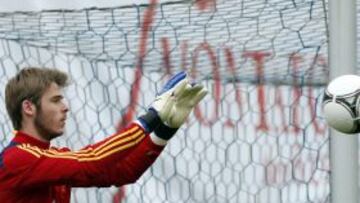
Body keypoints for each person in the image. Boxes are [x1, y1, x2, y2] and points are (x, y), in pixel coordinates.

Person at [0, 67, 207, 203]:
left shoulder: (49, 158)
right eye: (55, 100)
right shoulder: (20, 157)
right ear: (28, 107)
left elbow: (123, 172)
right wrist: (151, 117)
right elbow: (92, 159)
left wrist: (164, 130)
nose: (65, 107)